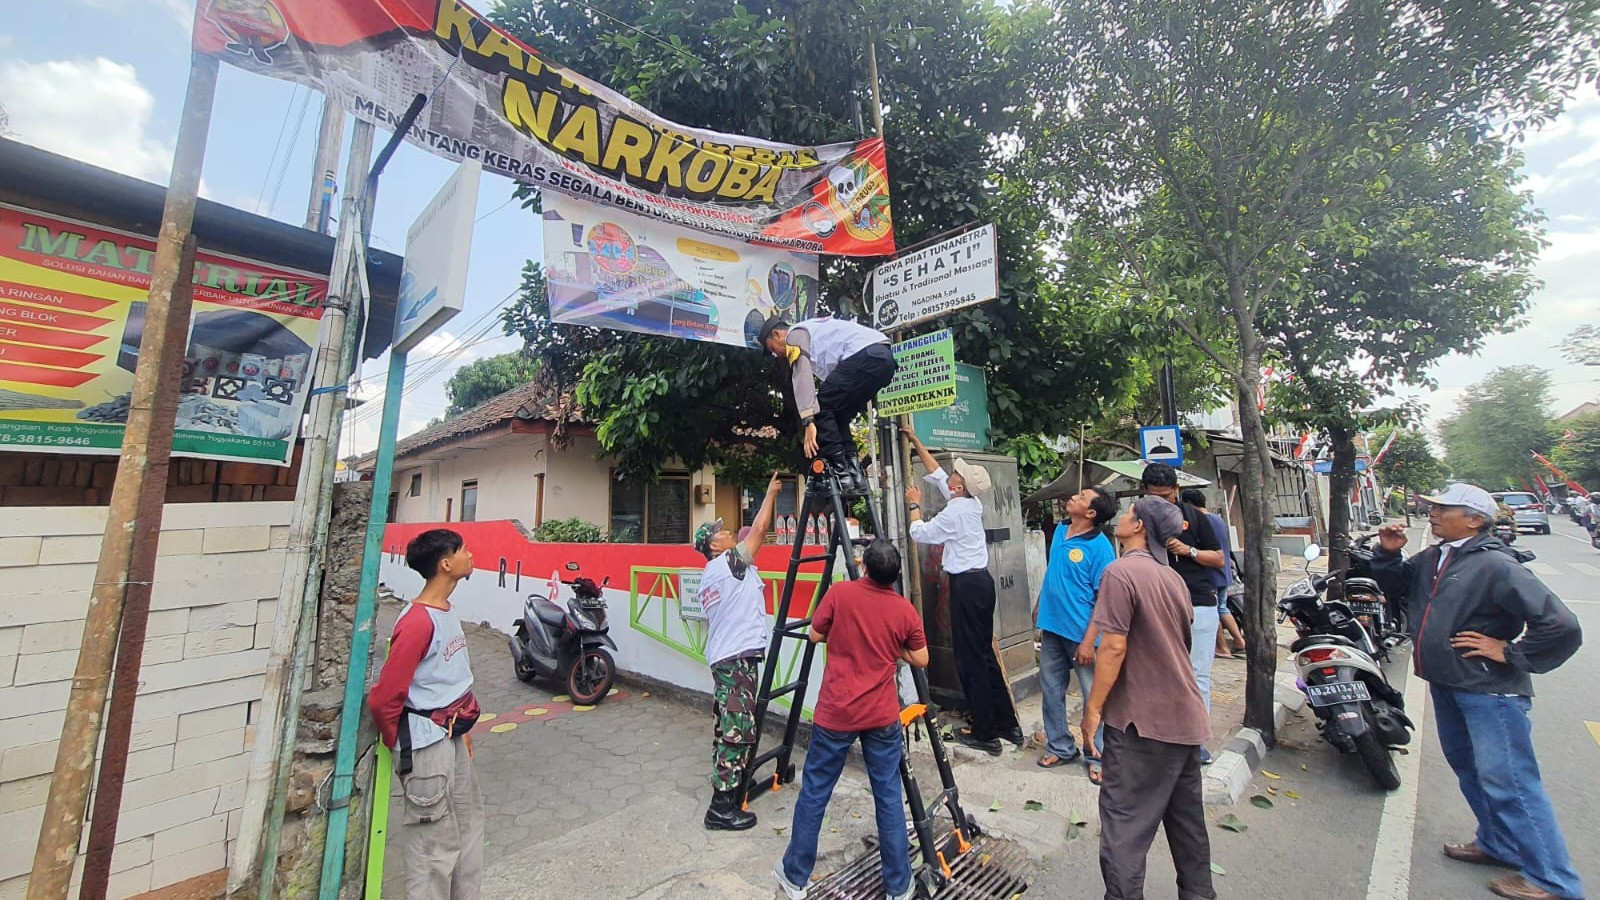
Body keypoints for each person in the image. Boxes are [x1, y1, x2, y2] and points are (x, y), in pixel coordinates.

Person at [1370, 483, 1584, 900]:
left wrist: (1512, 653)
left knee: (1511, 783)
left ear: (1474, 519)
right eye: (1430, 505)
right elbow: (1396, 589)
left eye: (1441, 508)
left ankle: (1554, 880)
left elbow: (1561, 625)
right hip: (1449, 682)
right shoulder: (1436, 557)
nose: (1430, 512)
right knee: (1472, 771)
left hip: (1489, 692)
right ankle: (1498, 843)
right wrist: (1388, 553)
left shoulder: (1496, 566)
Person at [774, 540, 928, 900]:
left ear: (865, 567)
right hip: (880, 715)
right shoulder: (904, 610)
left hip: (837, 711)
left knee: (815, 792)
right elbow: (921, 658)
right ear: (895, 575)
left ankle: (795, 878)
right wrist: (894, 648)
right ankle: (898, 886)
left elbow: (814, 634)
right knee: (888, 796)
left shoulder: (840, 594)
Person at [1082, 499, 1215, 900]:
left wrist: (1092, 711)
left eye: (1127, 513)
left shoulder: (1120, 574)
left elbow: (1114, 648)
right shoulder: (1171, 577)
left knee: (1124, 826)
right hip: (1185, 717)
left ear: (1138, 526)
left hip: (1141, 723)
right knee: (1188, 824)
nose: (1121, 518)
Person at [367, 529, 484, 900]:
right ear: (446, 563)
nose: (470, 554)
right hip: (426, 745)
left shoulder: (446, 612)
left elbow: (449, 684)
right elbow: (385, 698)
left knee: (467, 828)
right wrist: (404, 747)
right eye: (462, 549)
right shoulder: (417, 622)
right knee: (432, 846)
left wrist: (462, 731)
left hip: (451, 736)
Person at [903, 422, 1022, 755]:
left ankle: (985, 732)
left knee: (969, 660)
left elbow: (919, 534)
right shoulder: (970, 503)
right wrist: (916, 440)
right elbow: (937, 474)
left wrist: (914, 504)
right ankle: (1006, 723)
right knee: (983, 655)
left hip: (967, 587)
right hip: (981, 583)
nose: (951, 475)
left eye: (956, 476)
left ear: (960, 487)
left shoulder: (954, 513)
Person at [694, 473, 784, 831]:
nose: (728, 531)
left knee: (730, 727)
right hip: (734, 661)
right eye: (721, 532)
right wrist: (771, 494)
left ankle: (727, 793)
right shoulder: (725, 565)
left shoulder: (717, 572)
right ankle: (720, 809)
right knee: (737, 730)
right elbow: (759, 533)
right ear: (714, 546)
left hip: (730, 657)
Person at [1140, 463, 1224, 763]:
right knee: (1157, 674)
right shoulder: (1138, 520)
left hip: (1198, 602)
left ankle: (1196, 740)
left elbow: (1218, 559)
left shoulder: (1194, 518)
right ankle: (1161, 739)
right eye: (1155, 497)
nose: (1163, 503)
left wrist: (1188, 551)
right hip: (1155, 605)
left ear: (1177, 490)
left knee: (1197, 673)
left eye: (1167, 496)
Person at [1034, 486, 1119, 780]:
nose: (1073, 497)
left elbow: (1104, 599)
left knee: (1094, 695)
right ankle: (1060, 745)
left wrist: (1088, 641)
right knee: (1051, 689)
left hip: (1082, 633)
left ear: (1091, 513)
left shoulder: (1100, 549)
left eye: (1081, 497)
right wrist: (1039, 605)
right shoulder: (1061, 531)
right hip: (1052, 627)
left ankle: (1099, 754)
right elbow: (1053, 573)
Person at [759, 315, 896, 493]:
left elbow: (801, 375)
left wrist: (808, 420)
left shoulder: (794, 334)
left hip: (866, 355)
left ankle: (841, 473)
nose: (776, 355)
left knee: (821, 406)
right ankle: (854, 474)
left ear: (777, 334)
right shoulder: (815, 337)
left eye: (772, 349)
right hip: (883, 360)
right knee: (837, 414)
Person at [1180, 489, 1245, 659]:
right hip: (1224, 572)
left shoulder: (1201, 521)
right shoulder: (1217, 519)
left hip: (1211, 572)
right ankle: (1238, 640)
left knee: (1213, 609)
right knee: (1221, 607)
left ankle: (1223, 647)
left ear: (1188, 504)